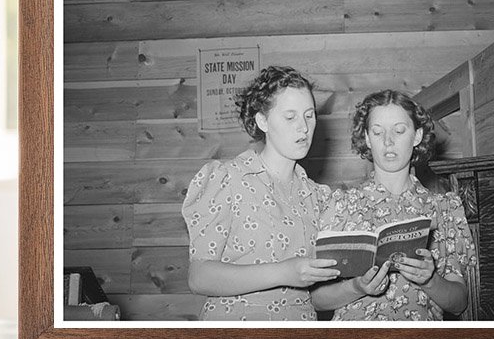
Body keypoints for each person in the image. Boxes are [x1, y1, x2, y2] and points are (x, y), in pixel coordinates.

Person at [183, 65, 340, 321]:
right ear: (262, 121)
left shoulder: (319, 198)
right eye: (290, 117)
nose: (303, 127)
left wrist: (359, 286)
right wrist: (283, 273)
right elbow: (199, 277)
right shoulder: (228, 179)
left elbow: (318, 296)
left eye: (309, 115)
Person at [311, 89, 475, 322]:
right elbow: (316, 299)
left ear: (417, 136)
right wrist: (357, 287)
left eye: (399, 131)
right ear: (368, 139)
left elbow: (459, 303)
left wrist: (430, 281)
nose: (388, 141)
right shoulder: (340, 205)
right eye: (378, 132)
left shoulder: (445, 208)